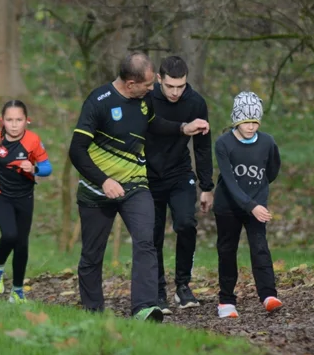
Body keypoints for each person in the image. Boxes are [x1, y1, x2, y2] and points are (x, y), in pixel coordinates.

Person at [69, 52, 210, 322]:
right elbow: (77, 151)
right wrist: (104, 181)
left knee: (146, 240)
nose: (152, 89)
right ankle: (93, 311)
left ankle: (144, 307)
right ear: (130, 84)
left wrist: (183, 128)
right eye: (147, 85)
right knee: (92, 253)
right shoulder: (98, 102)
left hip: (136, 184)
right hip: (97, 190)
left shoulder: (145, 100)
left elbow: (154, 124)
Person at [146, 55, 213, 312]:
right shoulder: (147, 99)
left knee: (186, 224)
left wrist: (206, 186)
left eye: (180, 86)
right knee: (153, 236)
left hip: (179, 172)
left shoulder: (195, 102)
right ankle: (157, 290)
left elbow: (203, 147)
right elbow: (150, 128)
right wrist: (182, 127)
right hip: (148, 175)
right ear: (159, 79)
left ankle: (183, 285)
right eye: (170, 86)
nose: (175, 92)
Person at [0, 100, 52, 303]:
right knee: (9, 234)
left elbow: (47, 168)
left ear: (27, 121)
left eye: (19, 120)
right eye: (10, 120)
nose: (14, 124)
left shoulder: (33, 141)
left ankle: (17, 292)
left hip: (25, 197)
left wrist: (33, 169)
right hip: (0, 194)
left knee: (22, 245)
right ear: (2, 121)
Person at [213, 92, 283, 319]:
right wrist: (250, 204)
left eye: (255, 122)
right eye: (246, 122)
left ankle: (268, 295)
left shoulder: (267, 142)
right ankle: (226, 301)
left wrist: (257, 199)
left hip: (256, 206)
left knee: (260, 247)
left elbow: (271, 171)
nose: (251, 126)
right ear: (236, 120)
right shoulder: (223, 144)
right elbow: (230, 183)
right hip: (228, 206)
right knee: (227, 251)